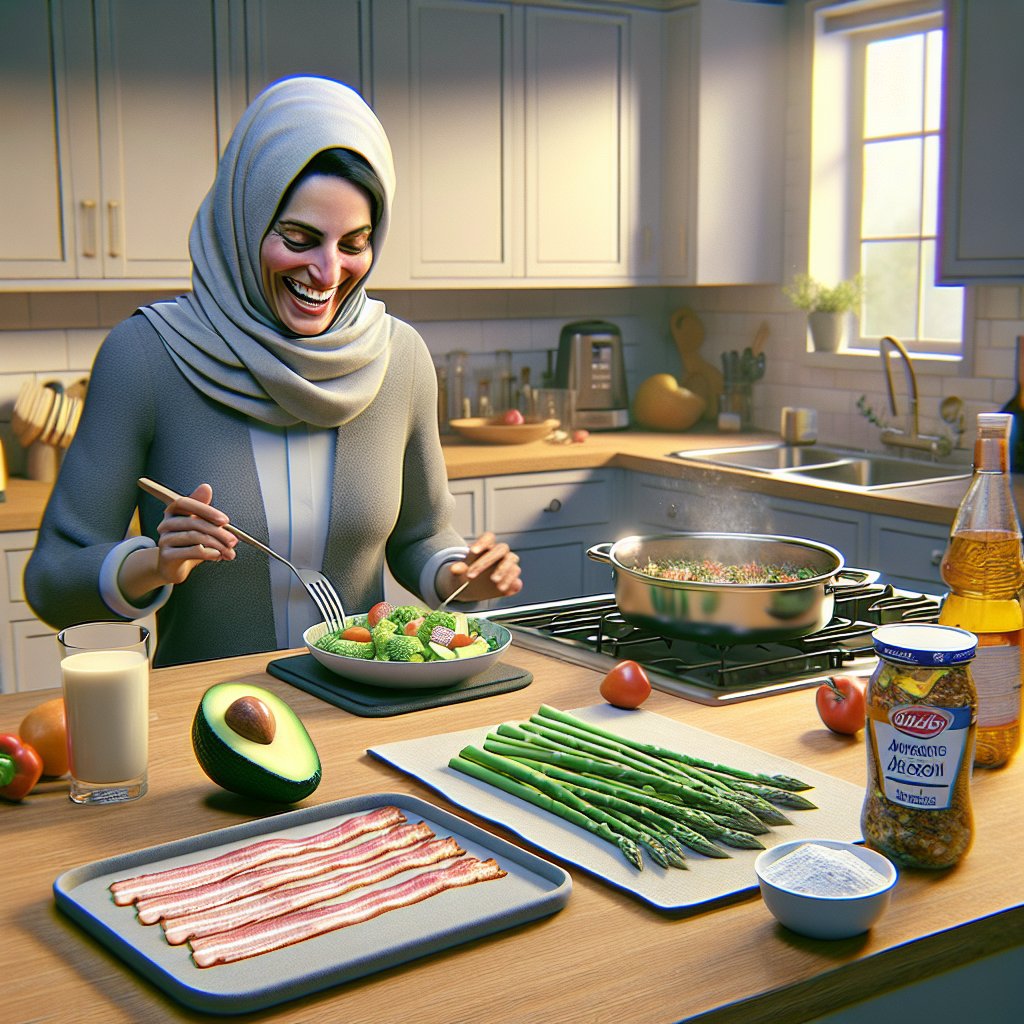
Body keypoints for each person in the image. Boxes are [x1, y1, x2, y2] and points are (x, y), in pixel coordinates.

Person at [25, 76, 523, 668]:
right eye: (299, 238)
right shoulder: (147, 355)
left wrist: (462, 573)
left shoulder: (401, 358)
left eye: (355, 243)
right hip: (206, 715)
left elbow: (420, 538)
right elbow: (52, 579)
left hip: (360, 707)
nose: (329, 271)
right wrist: (153, 565)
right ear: (245, 218)